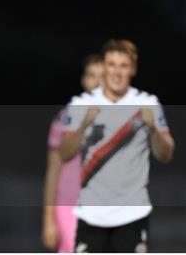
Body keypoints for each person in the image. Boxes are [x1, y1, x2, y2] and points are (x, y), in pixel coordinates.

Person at [59, 39, 175, 252]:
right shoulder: (81, 104)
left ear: (133, 69)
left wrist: (154, 129)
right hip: (91, 214)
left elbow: (165, 154)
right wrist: (84, 123)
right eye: (112, 64)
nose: (117, 72)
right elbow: (64, 153)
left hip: (132, 214)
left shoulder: (148, 103)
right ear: (103, 67)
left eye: (123, 65)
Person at [42, 54, 103, 252]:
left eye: (103, 76)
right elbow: (53, 171)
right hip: (70, 207)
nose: (98, 82)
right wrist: (48, 220)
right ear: (84, 80)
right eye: (92, 76)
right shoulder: (65, 118)